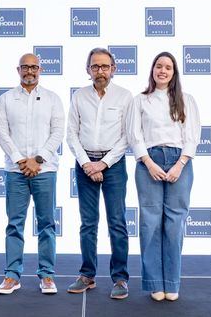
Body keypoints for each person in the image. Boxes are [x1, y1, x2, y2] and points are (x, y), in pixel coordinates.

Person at [127, 51, 201, 302]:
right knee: (149, 223)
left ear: (174, 73)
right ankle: (154, 283)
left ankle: (171, 282)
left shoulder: (186, 100)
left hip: (179, 161)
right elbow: (134, 136)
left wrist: (180, 165)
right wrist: (148, 163)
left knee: (174, 223)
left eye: (168, 67)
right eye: (159, 66)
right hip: (149, 161)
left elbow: (192, 136)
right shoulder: (140, 100)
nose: (163, 71)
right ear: (152, 70)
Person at [0, 53, 65, 295]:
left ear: (40, 69)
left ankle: (47, 275)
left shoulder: (53, 99)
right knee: (14, 224)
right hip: (15, 172)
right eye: (25, 67)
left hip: (44, 170)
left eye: (34, 67)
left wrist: (36, 160)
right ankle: (12, 276)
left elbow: (57, 133)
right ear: (18, 70)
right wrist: (20, 160)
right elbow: (2, 133)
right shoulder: (5, 100)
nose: (29, 71)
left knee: (46, 224)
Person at [66, 47, 133, 300]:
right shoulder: (79, 96)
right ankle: (87, 275)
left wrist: (103, 164)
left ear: (113, 69)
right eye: (95, 66)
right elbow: (71, 133)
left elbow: (127, 136)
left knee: (117, 223)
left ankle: (120, 278)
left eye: (105, 66)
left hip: (113, 165)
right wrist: (86, 164)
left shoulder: (125, 97)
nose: (100, 71)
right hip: (84, 164)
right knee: (88, 224)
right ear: (88, 70)